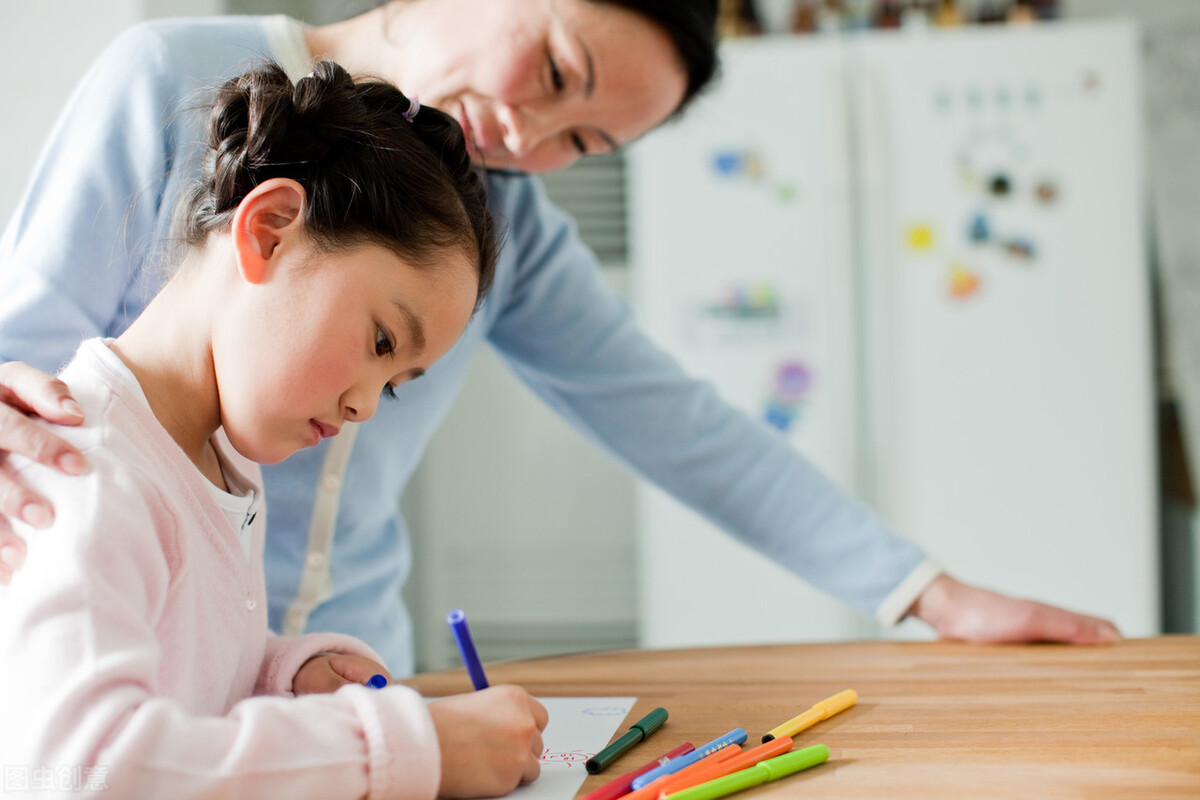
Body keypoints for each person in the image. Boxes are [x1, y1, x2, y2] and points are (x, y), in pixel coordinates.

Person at [0, 0, 1118, 675]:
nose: (526, 140)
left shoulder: (508, 225)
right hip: (144, 658)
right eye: (554, 74)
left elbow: (673, 419)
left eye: (581, 140)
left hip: (344, 674)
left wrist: (927, 591)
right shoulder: (169, 83)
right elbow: (29, 371)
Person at [0, 59, 548, 798]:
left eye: (393, 386)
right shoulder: (90, 475)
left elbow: (183, 677)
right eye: (381, 342)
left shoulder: (215, 462)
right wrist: (401, 750)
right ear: (270, 230)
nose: (364, 408)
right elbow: (83, 770)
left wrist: (284, 676)